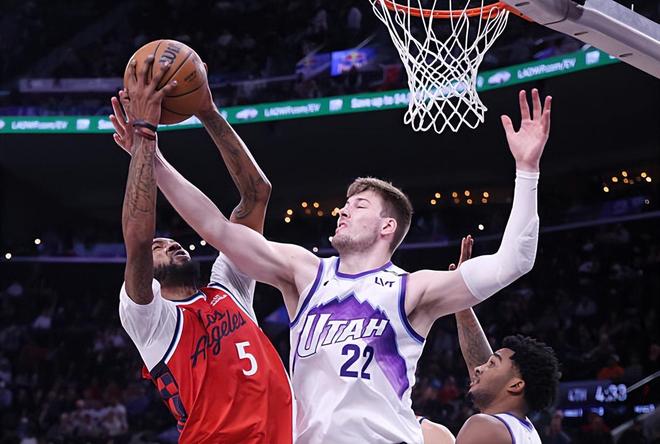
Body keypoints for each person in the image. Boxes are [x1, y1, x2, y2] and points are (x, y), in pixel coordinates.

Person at [123, 74, 551, 442]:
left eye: (359, 205)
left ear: (387, 227)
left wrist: (527, 169)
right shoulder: (304, 272)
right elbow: (216, 227)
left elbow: (515, 259)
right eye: (345, 204)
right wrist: (153, 158)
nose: (343, 211)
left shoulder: (413, 288)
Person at [115, 55, 292, 443]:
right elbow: (138, 239)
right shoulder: (150, 321)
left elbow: (256, 194)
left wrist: (207, 111)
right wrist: (144, 136)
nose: (171, 243)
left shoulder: (229, 288)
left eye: (171, 241)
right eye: (160, 245)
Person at [447, 236, 561, 444]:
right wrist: (461, 297)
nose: (478, 368)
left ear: (516, 385)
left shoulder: (485, 427)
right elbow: (482, 365)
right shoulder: (524, 432)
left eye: (492, 364)